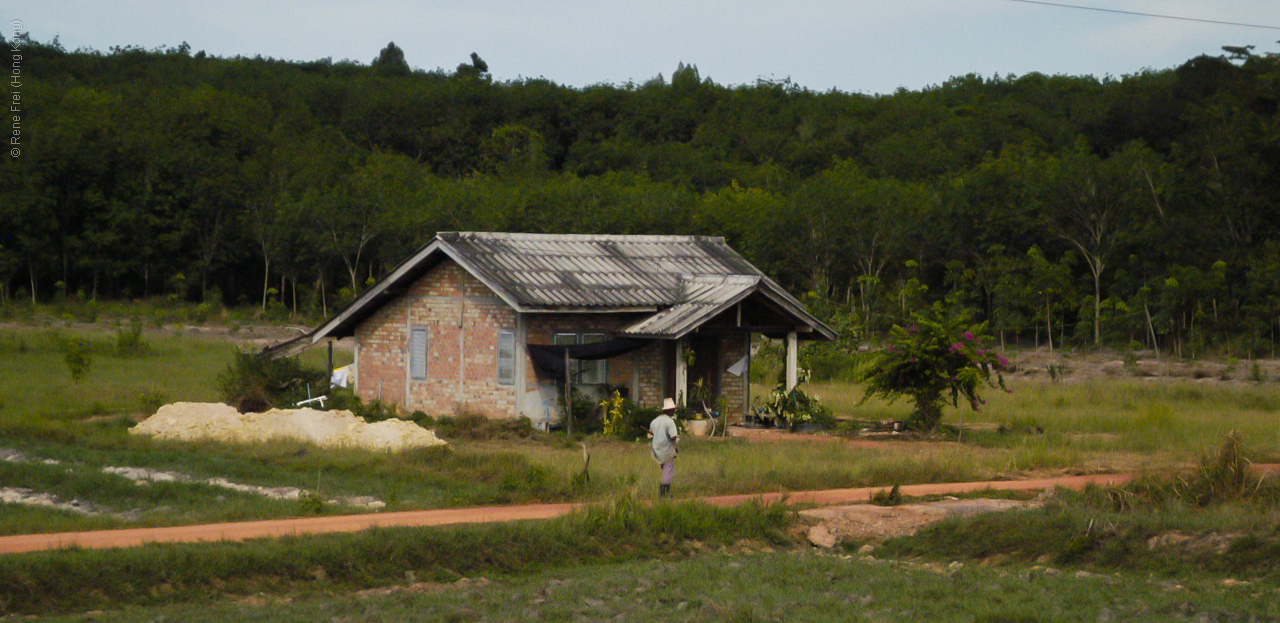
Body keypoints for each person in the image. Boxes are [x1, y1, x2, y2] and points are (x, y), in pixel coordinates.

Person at [650, 398, 680, 498]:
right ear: (670, 410)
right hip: (666, 450)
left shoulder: (654, 421)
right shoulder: (670, 422)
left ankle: (665, 492)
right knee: (668, 471)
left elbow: (650, 435)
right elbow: (673, 437)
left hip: (656, 450)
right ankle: (664, 494)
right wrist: (676, 443)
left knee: (665, 469)